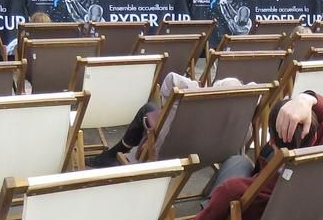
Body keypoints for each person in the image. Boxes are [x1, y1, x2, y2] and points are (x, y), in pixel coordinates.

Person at [181, 91, 323, 220]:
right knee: (241, 162)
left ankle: (208, 211)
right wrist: (306, 99)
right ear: (314, 136)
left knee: (238, 162)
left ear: (272, 142)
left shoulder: (235, 189)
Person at [86, 71, 248, 168]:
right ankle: (118, 151)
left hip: (174, 149)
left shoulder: (201, 107)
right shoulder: (240, 123)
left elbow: (171, 80)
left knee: (148, 109)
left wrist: (199, 89)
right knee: (150, 109)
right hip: (209, 152)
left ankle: (116, 152)